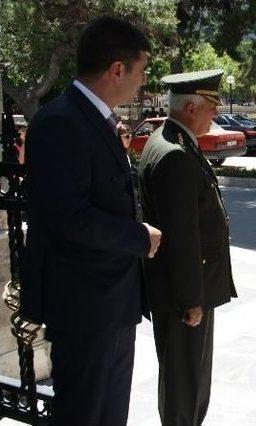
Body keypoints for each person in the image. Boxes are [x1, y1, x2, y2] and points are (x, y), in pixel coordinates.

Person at [19, 16, 162, 426]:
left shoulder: (92, 117)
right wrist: (138, 236)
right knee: (84, 414)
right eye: (141, 70)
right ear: (117, 69)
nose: (142, 81)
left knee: (110, 414)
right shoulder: (61, 121)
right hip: (84, 307)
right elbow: (69, 217)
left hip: (112, 303)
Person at [138, 70, 237, 425]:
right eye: (213, 104)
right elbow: (181, 236)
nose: (216, 112)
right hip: (182, 294)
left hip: (181, 288)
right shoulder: (174, 153)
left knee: (185, 376)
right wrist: (191, 299)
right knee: (185, 381)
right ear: (192, 106)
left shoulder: (169, 140)